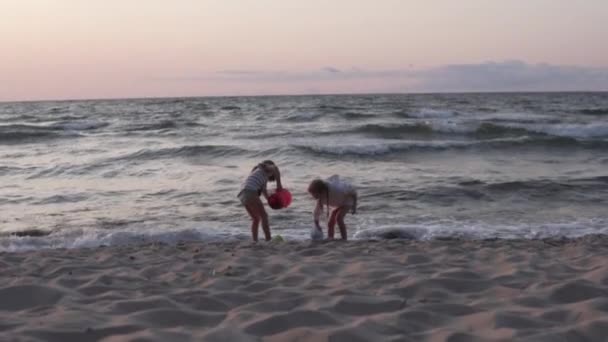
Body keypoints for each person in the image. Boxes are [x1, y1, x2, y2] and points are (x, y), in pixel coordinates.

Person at [237, 160, 282, 242]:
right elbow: (275, 168)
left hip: (242, 194)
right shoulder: (263, 167)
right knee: (264, 216)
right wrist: (279, 186)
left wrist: (270, 200)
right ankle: (268, 240)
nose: (272, 173)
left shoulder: (261, 176)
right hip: (250, 191)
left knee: (256, 219)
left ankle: (255, 241)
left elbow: (264, 191)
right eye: (271, 172)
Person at [307, 175, 357, 240]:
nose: (313, 196)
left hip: (347, 200)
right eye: (312, 194)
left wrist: (354, 206)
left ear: (321, 191)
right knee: (330, 222)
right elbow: (316, 212)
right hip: (338, 202)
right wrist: (317, 224)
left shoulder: (337, 189)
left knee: (339, 218)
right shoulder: (320, 198)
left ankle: (344, 239)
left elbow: (353, 193)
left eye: (314, 194)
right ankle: (330, 238)